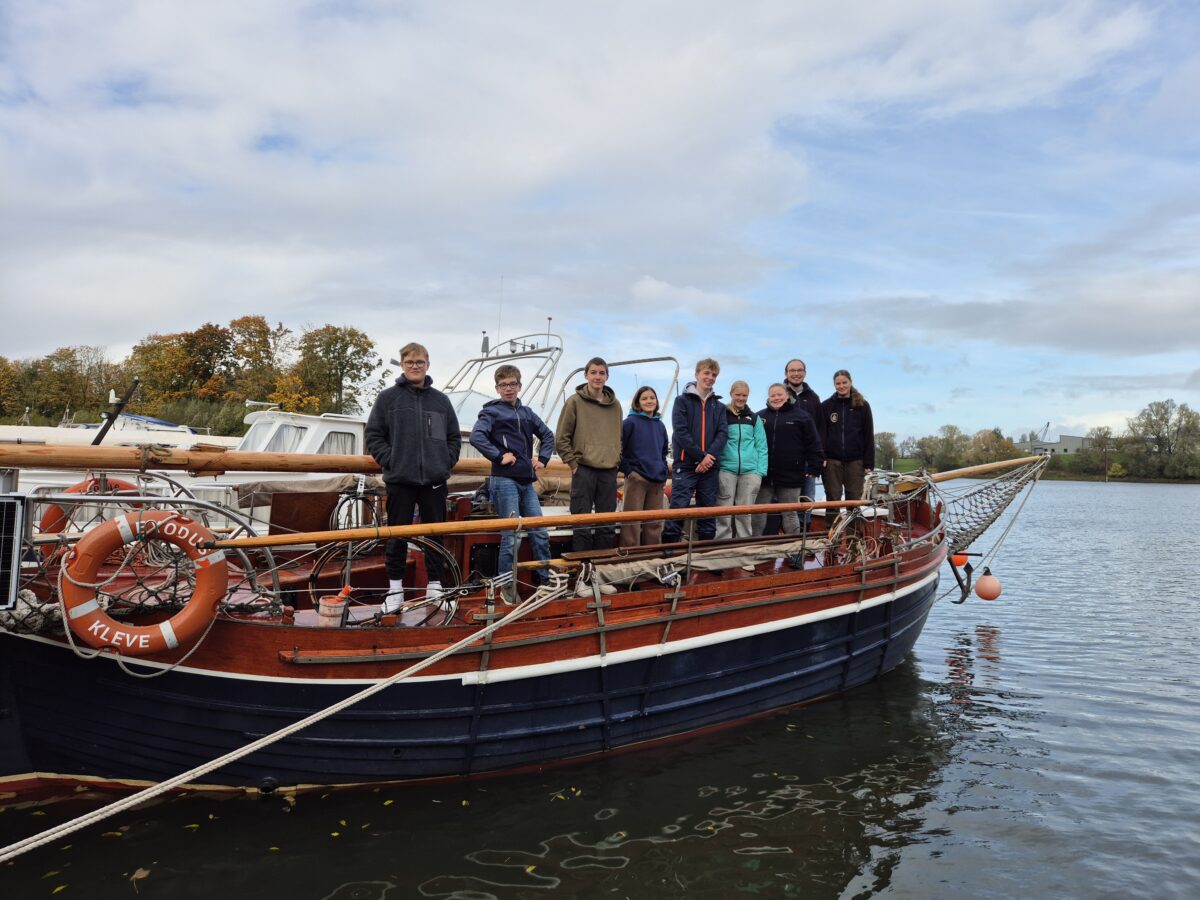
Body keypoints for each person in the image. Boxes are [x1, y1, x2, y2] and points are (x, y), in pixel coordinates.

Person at [365, 341, 461, 615]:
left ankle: (435, 587)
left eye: (420, 362)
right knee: (396, 536)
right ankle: (395, 590)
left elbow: (453, 438)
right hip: (400, 480)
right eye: (410, 362)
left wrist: (444, 461)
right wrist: (391, 460)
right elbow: (373, 435)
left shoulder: (441, 401)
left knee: (435, 536)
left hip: (434, 481)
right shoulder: (387, 398)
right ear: (403, 365)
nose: (415, 366)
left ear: (427, 365)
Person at [469, 364, 555, 605]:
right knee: (512, 536)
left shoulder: (527, 413)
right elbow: (477, 436)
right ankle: (507, 584)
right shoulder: (492, 412)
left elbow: (548, 435)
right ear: (497, 388)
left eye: (512, 384)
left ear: (520, 385)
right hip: (504, 480)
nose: (508, 389)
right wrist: (499, 456)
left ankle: (545, 581)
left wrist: (544, 459)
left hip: (526, 481)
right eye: (503, 385)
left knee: (540, 531)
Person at [555, 357, 623, 557]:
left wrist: (616, 460)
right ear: (586, 375)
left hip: (608, 472)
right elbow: (561, 437)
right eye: (593, 372)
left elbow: (619, 436)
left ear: (607, 376)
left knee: (606, 525)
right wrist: (574, 465)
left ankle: (602, 571)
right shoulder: (574, 402)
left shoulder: (616, 405)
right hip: (583, 470)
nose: (597, 377)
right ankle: (583, 574)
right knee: (581, 524)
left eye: (602, 373)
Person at [662, 359, 728, 543]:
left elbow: (722, 434)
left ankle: (704, 554)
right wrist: (701, 457)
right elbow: (681, 432)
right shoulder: (681, 401)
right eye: (706, 373)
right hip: (686, 465)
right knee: (678, 510)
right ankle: (670, 553)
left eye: (714, 375)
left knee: (708, 512)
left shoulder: (719, 406)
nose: (710, 378)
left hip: (710, 468)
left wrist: (708, 459)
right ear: (697, 374)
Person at [752, 383, 824, 536]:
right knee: (758, 512)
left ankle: (794, 549)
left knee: (790, 514)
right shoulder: (760, 416)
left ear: (787, 396)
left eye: (780, 395)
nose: (776, 398)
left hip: (791, 475)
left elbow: (814, 443)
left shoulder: (802, 416)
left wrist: (814, 466)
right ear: (768, 397)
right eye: (773, 395)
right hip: (764, 475)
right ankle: (753, 546)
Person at [618, 386, 670, 548]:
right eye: (645, 398)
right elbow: (618, 450)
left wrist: (662, 469)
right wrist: (630, 472)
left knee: (654, 524)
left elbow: (662, 452)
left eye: (652, 398)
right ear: (637, 403)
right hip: (637, 479)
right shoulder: (629, 423)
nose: (649, 401)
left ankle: (651, 555)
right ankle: (631, 556)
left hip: (657, 481)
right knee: (632, 523)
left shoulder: (660, 426)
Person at [715, 380, 767, 540]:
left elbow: (761, 446)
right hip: (726, 470)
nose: (741, 398)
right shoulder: (721, 414)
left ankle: (743, 547)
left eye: (744, 395)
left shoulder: (754, 418)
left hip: (750, 472)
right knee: (723, 512)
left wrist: (760, 472)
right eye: (738, 394)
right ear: (731, 394)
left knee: (745, 513)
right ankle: (721, 547)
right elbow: (716, 439)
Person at [820, 369, 875, 502]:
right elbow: (821, 434)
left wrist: (869, 462)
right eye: (838, 383)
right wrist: (822, 457)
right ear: (834, 385)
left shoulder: (862, 405)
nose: (841, 386)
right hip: (832, 461)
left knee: (854, 499)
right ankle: (833, 524)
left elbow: (868, 434)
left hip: (856, 461)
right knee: (833, 498)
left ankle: (854, 524)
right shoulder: (826, 406)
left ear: (850, 382)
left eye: (844, 382)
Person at [783, 359, 823, 517]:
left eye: (799, 370)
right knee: (785, 498)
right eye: (792, 370)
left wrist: (819, 458)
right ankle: (786, 534)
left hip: (808, 459)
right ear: (786, 373)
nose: (796, 374)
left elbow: (820, 429)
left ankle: (803, 533)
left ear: (805, 373)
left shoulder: (813, 398)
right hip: (786, 459)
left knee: (807, 498)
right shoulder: (780, 395)